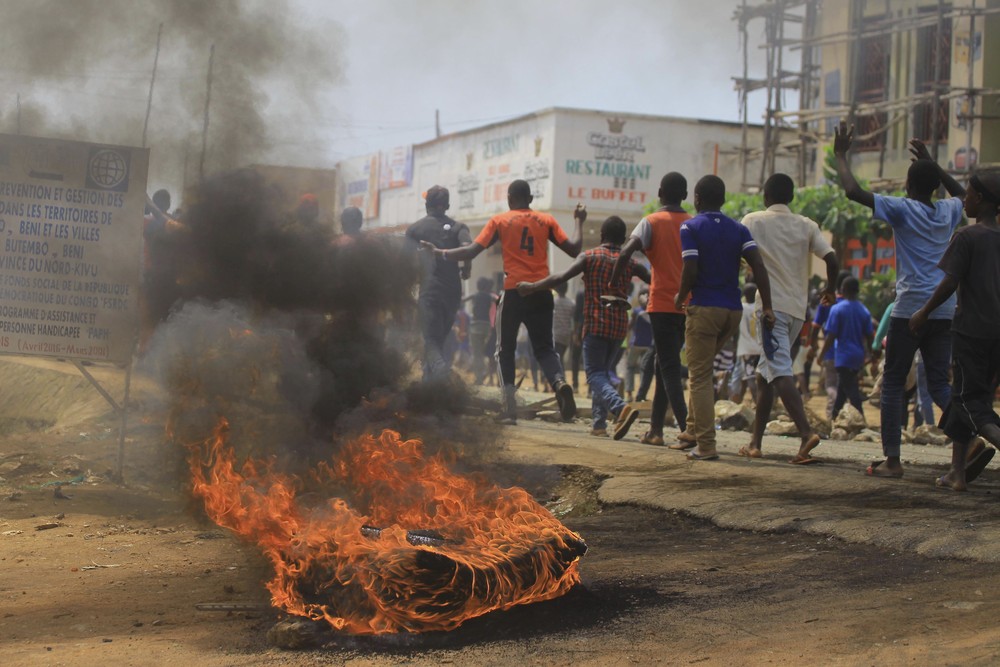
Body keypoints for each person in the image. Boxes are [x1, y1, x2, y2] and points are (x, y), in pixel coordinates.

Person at [833, 121, 965, 478]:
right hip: (944, 307)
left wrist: (841, 155)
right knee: (939, 383)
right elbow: (964, 196)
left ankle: (893, 460)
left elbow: (853, 192)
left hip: (910, 308)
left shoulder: (902, 209)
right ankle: (968, 437)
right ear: (936, 186)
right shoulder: (948, 212)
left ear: (907, 186)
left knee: (893, 381)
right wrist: (935, 165)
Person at [422, 180, 585, 424]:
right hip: (541, 291)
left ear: (509, 199)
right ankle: (559, 382)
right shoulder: (547, 220)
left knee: (504, 351)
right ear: (530, 200)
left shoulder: (499, 221)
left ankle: (509, 411)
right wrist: (578, 221)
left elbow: (470, 252)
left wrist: (439, 253)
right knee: (544, 349)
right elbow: (574, 249)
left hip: (514, 291)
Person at [517, 216, 650, 439]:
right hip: (619, 328)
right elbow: (653, 279)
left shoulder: (589, 257)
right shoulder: (631, 263)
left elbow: (560, 277)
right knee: (602, 374)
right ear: (624, 238)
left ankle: (620, 408)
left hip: (596, 325)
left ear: (601, 236)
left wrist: (531, 287)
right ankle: (599, 424)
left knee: (594, 374)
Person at [673, 175, 774, 461]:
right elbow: (758, 266)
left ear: (697, 198)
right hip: (732, 311)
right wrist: (767, 306)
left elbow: (690, 269)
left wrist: (681, 296)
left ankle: (705, 444)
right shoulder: (739, 230)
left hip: (704, 308)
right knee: (703, 370)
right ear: (724, 199)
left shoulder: (690, 227)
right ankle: (692, 431)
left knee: (699, 376)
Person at [740, 173, 839, 464]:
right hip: (797, 311)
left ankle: (806, 433)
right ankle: (755, 442)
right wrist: (830, 289)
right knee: (764, 375)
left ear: (765, 197)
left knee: (779, 370)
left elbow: (739, 255)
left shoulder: (753, 221)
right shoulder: (806, 225)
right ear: (792, 198)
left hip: (771, 310)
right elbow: (831, 259)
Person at [910, 171, 1000, 491]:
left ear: (983, 201)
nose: (966, 199)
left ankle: (964, 466)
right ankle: (957, 474)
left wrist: (924, 311)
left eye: (971, 195)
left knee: (970, 403)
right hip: (995, 335)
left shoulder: (966, 237)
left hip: (970, 332)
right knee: (967, 399)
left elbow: (949, 282)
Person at [611, 172, 691, 447]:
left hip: (661, 305)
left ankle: (686, 427)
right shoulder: (692, 224)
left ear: (660, 192)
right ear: (685, 195)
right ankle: (656, 431)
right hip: (687, 305)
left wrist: (614, 284)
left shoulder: (651, 222)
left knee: (668, 367)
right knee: (662, 364)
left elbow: (625, 253)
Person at [406, 186, 472, 382]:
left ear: (427, 205)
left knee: (431, 340)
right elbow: (467, 247)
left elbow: (404, 262)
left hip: (430, 290)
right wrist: (466, 268)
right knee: (439, 338)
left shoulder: (415, 229)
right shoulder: (459, 227)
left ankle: (441, 369)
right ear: (448, 206)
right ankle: (430, 386)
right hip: (453, 292)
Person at [819, 277, 873, 419]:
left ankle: (860, 418)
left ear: (843, 290)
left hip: (843, 355)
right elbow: (869, 335)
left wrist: (821, 355)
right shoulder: (864, 310)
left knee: (851, 389)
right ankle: (834, 418)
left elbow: (831, 336)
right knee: (843, 389)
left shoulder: (837, 309)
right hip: (858, 356)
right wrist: (872, 354)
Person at [731, 283, 762, 405]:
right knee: (747, 376)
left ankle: (758, 403)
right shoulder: (760, 308)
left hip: (746, 349)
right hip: (759, 348)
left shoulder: (740, 307)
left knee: (750, 378)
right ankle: (738, 402)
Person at [465, 277, 498, 385]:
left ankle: (479, 376)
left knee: (477, 354)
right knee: (487, 353)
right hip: (487, 327)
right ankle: (486, 373)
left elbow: (463, 299)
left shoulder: (475, 295)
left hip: (475, 327)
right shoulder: (490, 297)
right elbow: (500, 301)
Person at [624, 289, 653, 402]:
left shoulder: (636, 312)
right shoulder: (653, 312)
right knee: (644, 369)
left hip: (636, 343)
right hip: (648, 345)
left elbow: (629, 327)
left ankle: (629, 393)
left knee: (630, 367)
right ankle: (642, 394)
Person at [552, 282, 575, 365]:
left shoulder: (554, 302)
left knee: (558, 358)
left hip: (556, 335)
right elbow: (573, 319)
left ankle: (560, 376)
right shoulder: (571, 303)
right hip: (567, 335)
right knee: (560, 356)